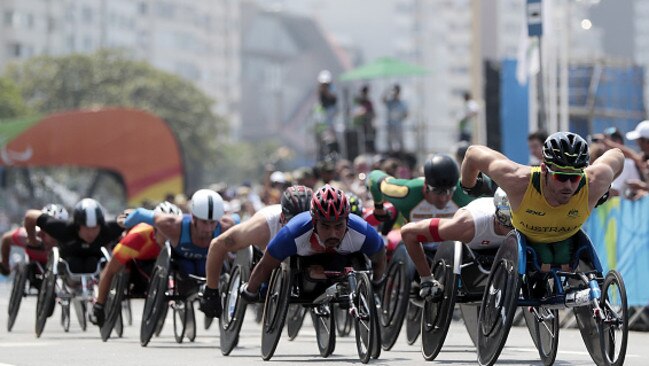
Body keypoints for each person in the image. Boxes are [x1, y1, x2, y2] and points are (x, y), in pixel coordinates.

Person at [460, 131, 624, 272]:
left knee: (564, 259)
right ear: (544, 170)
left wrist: (605, 188)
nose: (568, 185)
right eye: (561, 177)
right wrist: (469, 185)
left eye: (575, 178)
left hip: (566, 238)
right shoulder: (517, 180)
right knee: (544, 259)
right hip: (528, 240)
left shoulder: (594, 181)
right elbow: (473, 153)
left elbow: (617, 155)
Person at [239, 185, 386, 301]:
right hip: (304, 263)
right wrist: (251, 290)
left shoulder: (363, 232)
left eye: (339, 226)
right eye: (326, 226)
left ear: (347, 221)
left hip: (341, 260)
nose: (333, 233)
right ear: (314, 222)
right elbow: (266, 265)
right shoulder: (293, 233)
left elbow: (379, 257)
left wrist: (377, 282)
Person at [200, 185, 313, 318]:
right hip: (265, 254)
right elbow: (217, 245)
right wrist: (211, 291)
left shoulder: (324, 225)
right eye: (293, 222)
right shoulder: (262, 227)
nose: (299, 228)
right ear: (282, 217)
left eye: (305, 223)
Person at [400, 188, 513, 299]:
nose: (512, 227)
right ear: (497, 215)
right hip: (474, 236)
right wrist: (426, 278)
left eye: (515, 222)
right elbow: (408, 233)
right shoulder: (466, 226)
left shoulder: (527, 225)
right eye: (507, 221)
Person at [91, 201, 183, 327]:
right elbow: (109, 271)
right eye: (165, 229)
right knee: (122, 267)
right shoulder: (137, 238)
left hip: (162, 263)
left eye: (174, 230)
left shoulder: (182, 236)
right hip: (136, 262)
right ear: (155, 227)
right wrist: (99, 305)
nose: (170, 234)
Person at [121, 189, 238, 281]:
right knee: (188, 270)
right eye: (204, 222)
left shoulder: (226, 225)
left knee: (215, 269)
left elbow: (242, 224)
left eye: (213, 223)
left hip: (208, 260)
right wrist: (125, 223)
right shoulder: (173, 225)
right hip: (182, 260)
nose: (208, 229)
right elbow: (140, 214)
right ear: (193, 218)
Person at [23, 198, 123, 274]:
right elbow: (30, 216)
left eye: (95, 228)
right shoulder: (63, 229)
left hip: (95, 260)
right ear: (78, 226)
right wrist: (32, 240)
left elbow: (133, 215)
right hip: (67, 260)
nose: (91, 233)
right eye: (86, 228)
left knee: (92, 264)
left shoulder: (107, 229)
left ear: (101, 226)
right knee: (75, 264)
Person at [1, 204, 69, 276]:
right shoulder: (30, 234)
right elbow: (6, 239)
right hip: (32, 267)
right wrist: (5, 264)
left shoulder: (67, 243)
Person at [383, 84, 408, 152]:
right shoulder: (390, 102)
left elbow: (406, 115)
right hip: (390, 125)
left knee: (400, 142)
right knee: (389, 142)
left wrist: (401, 116)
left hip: (398, 125)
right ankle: (391, 155)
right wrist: (387, 91)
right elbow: (383, 100)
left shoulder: (402, 103)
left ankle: (401, 155)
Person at [352, 85, 376, 154]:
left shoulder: (368, 102)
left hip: (367, 126)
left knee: (368, 141)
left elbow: (371, 113)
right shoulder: (358, 102)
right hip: (359, 125)